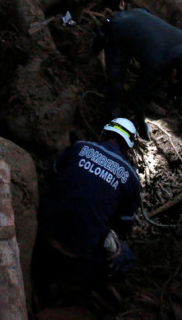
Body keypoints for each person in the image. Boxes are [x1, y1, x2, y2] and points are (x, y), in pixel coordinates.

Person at [36, 118, 141, 306]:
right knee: (124, 255)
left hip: (44, 229)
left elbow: (53, 175)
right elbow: (125, 223)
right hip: (79, 250)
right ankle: (78, 287)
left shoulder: (79, 147)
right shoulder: (130, 177)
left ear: (102, 135)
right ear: (127, 150)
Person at [96, 8, 182, 137]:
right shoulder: (156, 63)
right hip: (119, 26)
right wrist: (142, 125)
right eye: (176, 80)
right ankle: (111, 114)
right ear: (174, 72)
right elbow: (135, 96)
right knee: (116, 78)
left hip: (137, 13)